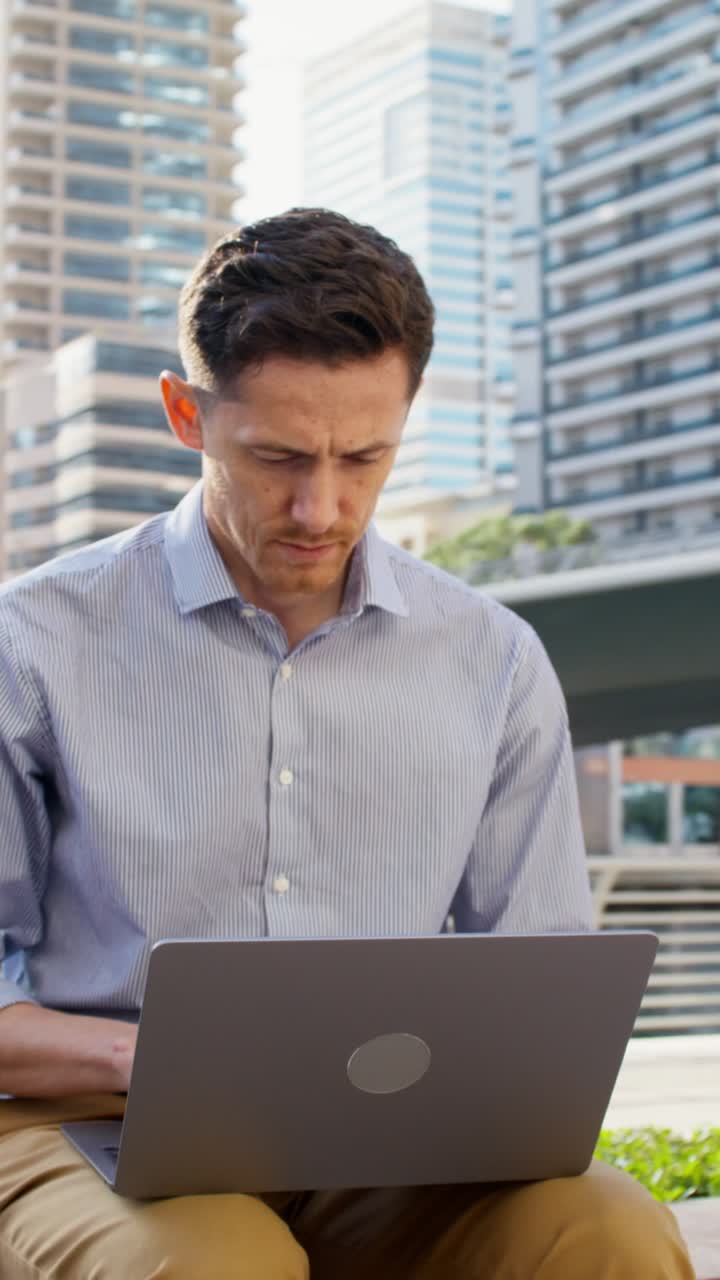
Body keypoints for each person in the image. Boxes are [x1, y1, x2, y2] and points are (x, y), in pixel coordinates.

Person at [0, 209, 692, 1279]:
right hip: (92, 1124)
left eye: (365, 455)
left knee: (606, 1228)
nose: (322, 506)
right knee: (215, 1262)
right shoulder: (36, 642)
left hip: (390, 1143)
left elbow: (541, 982)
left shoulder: (493, 659)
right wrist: (161, 1058)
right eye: (276, 455)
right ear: (188, 413)